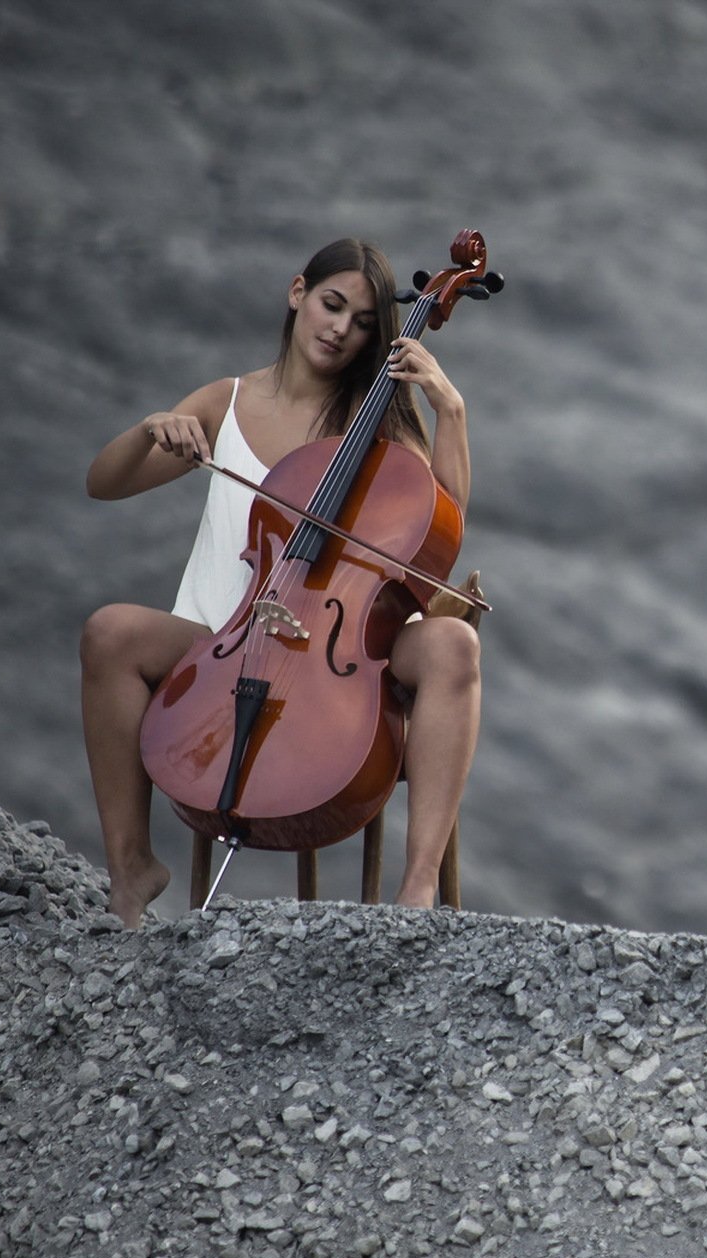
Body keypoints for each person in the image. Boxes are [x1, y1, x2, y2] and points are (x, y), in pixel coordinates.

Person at [79, 237, 482, 928]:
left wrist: (450, 409)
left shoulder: (376, 425)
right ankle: (131, 868)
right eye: (332, 305)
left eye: (361, 323)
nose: (341, 329)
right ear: (298, 292)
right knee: (108, 632)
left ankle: (416, 893)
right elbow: (103, 483)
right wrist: (152, 429)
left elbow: (444, 521)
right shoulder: (226, 400)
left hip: (345, 654)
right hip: (223, 640)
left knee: (452, 648)